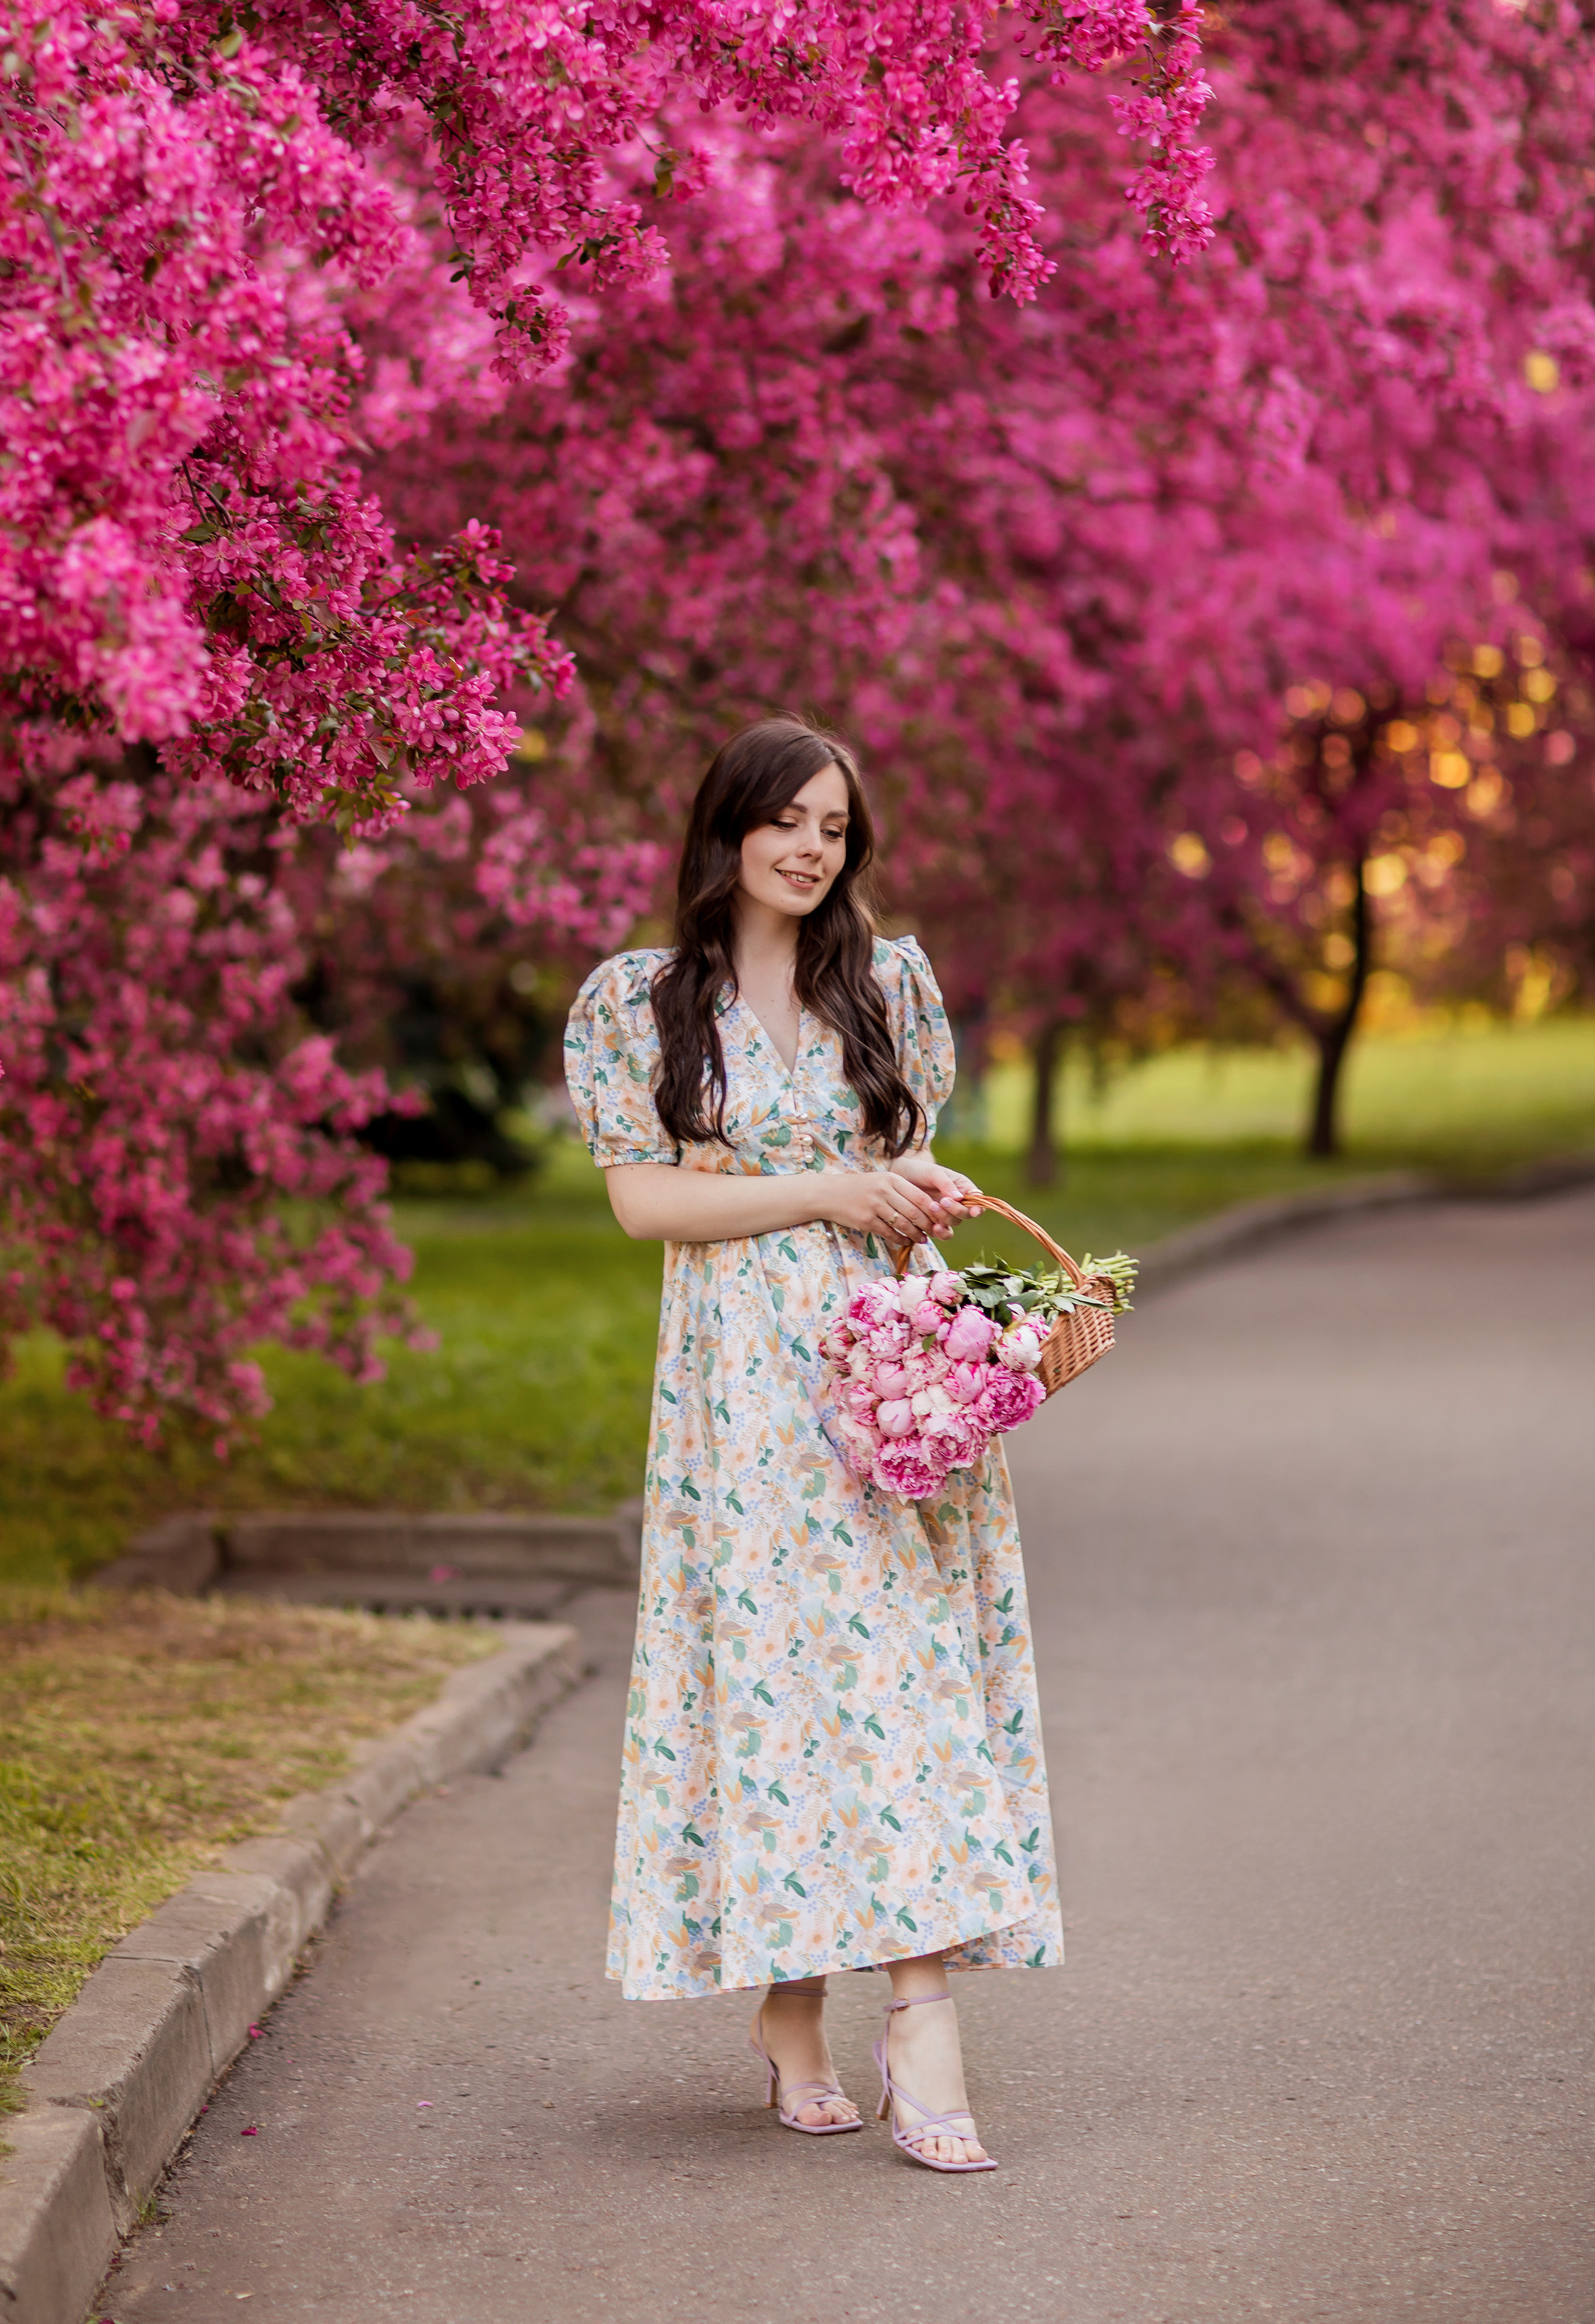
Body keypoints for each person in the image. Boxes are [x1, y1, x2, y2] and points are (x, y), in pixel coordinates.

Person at [564, 717, 1062, 2173]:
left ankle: (918, 2022)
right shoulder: (638, 1002)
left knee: (899, 1672)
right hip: (735, 1399)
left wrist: (903, 1192)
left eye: (832, 827)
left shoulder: (884, 986)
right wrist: (820, 1194)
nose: (806, 847)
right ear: (720, 832)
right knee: (785, 1688)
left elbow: (890, 1165)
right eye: (782, 819)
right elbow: (644, 1209)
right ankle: (790, 2002)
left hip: (884, 1376)